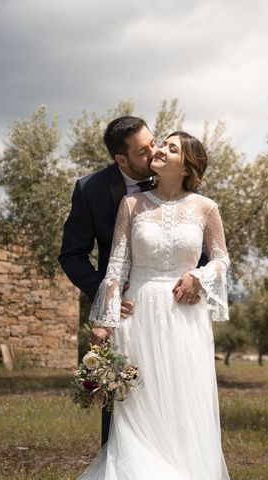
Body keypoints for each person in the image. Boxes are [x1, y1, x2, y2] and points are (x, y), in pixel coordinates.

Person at [78, 131, 230, 479]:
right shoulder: (132, 205)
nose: (159, 150)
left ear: (187, 165)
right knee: (140, 406)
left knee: (182, 402)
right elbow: (116, 265)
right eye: (162, 143)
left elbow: (221, 259)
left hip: (184, 317)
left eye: (171, 148)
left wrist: (199, 277)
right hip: (139, 313)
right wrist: (106, 320)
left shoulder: (206, 208)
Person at [59, 117, 203, 447]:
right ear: (120, 160)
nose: (154, 152)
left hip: (176, 313)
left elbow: (203, 246)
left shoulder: (176, 176)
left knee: (175, 393)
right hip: (124, 313)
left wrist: (197, 278)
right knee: (126, 395)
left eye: (154, 142)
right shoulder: (91, 190)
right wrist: (106, 298)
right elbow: (72, 255)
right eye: (143, 151)